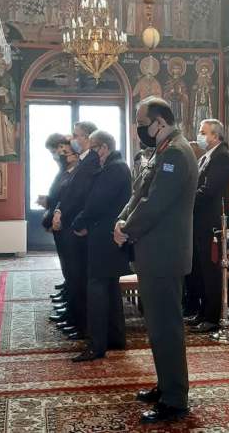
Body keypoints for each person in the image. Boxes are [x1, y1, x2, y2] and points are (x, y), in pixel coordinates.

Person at [114, 97, 197, 423]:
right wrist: (121, 221)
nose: (139, 130)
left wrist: (127, 230)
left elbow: (155, 203)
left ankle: (175, 399)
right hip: (155, 254)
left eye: (141, 123)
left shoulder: (175, 152)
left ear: (160, 122)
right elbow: (140, 193)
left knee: (167, 329)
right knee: (158, 328)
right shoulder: (163, 151)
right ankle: (165, 386)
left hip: (165, 255)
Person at [70, 130, 132, 362]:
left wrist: (80, 222)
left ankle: (96, 345)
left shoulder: (115, 168)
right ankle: (115, 338)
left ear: (104, 148)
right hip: (108, 235)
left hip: (105, 237)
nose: (91, 153)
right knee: (110, 288)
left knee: (96, 289)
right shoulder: (115, 167)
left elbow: (97, 201)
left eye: (93, 148)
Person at [185, 119, 229, 333]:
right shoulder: (207, 156)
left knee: (211, 271)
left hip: (211, 223)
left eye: (203, 132)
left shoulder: (222, 156)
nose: (199, 135)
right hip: (200, 222)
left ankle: (213, 317)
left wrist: (184, 200)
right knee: (200, 270)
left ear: (215, 135)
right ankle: (203, 312)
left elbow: (209, 190)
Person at [53, 121, 100, 339]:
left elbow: (80, 195)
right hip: (70, 222)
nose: (73, 139)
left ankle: (81, 324)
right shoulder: (83, 160)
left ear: (87, 137)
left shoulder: (91, 160)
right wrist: (58, 210)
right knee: (73, 275)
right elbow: (68, 191)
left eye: (76, 135)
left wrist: (62, 213)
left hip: (78, 225)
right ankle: (74, 318)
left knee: (79, 276)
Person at [39, 133, 75, 322]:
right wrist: (48, 202)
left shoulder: (75, 169)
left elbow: (67, 196)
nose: (57, 155)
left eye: (58, 151)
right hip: (59, 220)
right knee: (67, 265)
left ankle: (72, 307)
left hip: (68, 223)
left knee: (72, 268)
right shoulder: (64, 169)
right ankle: (68, 297)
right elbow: (57, 192)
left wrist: (54, 208)